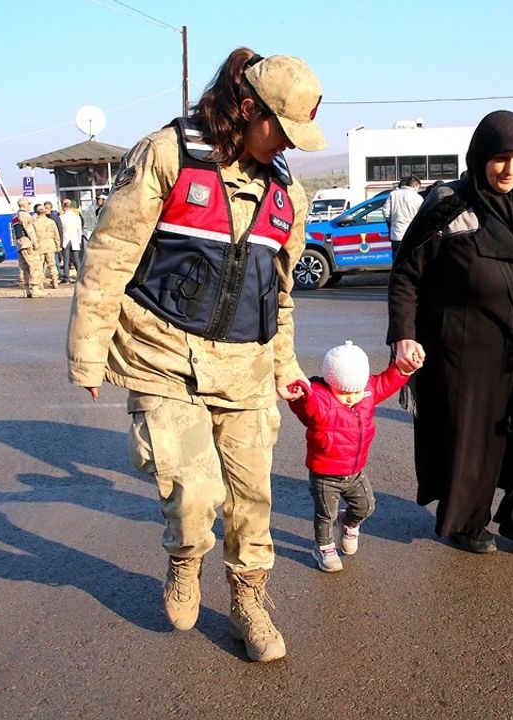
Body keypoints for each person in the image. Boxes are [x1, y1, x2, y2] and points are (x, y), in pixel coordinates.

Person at [66, 48, 326, 662]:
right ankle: (185, 559)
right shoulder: (166, 155)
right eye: (281, 131)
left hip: (247, 366)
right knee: (193, 495)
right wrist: (88, 349)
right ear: (246, 109)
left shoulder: (288, 195)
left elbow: (279, 294)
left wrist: (286, 365)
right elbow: (110, 253)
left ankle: (249, 600)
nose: (287, 148)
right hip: (163, 352)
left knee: (252, 500)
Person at [387, 110, 513, 557]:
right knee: (475, 442)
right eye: (500, 158)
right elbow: (407, 274)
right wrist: (404, 335)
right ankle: (467, 522)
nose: (510, 170)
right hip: (464, 345)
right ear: (480, 156)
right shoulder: (450, 202)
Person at [286, 341, 413, 573]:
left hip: (355, 471)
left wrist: (402, 370)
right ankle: (324, 547)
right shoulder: (321, 399)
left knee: (366, 506)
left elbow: (385, 382)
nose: (351, 398)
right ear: (330, 382)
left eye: (356, 391)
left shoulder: (366, 392)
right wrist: (298, 395)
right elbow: (306, 403)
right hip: (325, 474)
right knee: (326, 514)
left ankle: (350, 522)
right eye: (344, 393)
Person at [11, 198, 44, 298]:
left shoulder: (15, 216)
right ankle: (35, 289)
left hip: (20, 245)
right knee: (35, 266)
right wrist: (35, 243)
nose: (29, 206)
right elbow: (29, 230)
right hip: (27, 243)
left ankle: (26, 289)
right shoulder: (25, 215)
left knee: (25, 267)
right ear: (24, 205)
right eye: (28, 204)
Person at [385, 174, 423, 258]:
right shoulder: (418, 198)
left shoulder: (393, 195)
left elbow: (386, 212)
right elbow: (421, 216)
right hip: (411, 236)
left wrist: (393, 221)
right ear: (415, 186)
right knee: (409, 261)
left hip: (396, 234)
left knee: (396, 259)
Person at [32, 203, 60, 290]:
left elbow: (32, 235)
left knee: (40, 266)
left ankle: (41, 283)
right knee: (52, 264)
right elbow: (56, 234)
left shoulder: (34, 223)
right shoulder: (51, 222)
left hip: (39, 246)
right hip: (50, 245)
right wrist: (58, 245)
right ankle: (55, 281)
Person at [58, 198, 84, 282]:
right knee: (76, 259)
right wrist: (79, 240)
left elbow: (60, 230)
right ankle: (80, 276)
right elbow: (79, 230)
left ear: (64, 207)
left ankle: (66, 277)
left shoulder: (61, 217)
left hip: (65, 240)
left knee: (66, 260)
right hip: (75, 239)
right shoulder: (77, 217)